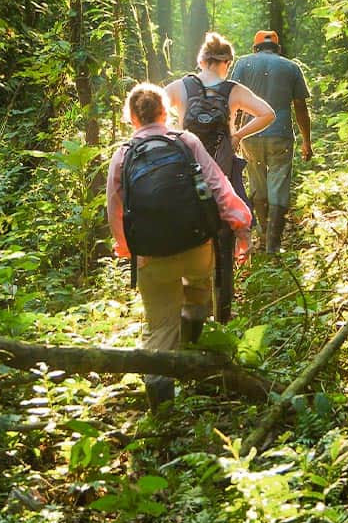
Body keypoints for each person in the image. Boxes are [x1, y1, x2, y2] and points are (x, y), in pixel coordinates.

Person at [107, 82, 251, 409]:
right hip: (197, 247)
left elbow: (114, 209)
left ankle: (161, 406)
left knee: (160, 328)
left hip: (152, 258)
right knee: (200, 289)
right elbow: (219, 186)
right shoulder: (186, 141)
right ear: (166, 112)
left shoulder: (123, 154)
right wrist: (242, 226)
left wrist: (128, 249)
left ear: (132, 117)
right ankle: (193, 350)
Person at [164, 32, 275, 318]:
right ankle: (223, 314)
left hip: (184, 183)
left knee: (185, 244)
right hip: (222, 180)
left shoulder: (180, 87)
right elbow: (267, 113)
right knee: (224, 245)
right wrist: (237, 134)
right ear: (228, 62)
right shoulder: (233, 90)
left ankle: (187, 312)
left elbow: (152, 116)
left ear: (201, 60)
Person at [231, 29, 313, 254]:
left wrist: (234, 134)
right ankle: (274, 244)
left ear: (255, 47)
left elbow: (233, 102)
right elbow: (300, 108)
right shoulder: (291, 67)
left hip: (251, 134)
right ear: (278, 48)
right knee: (279, 183)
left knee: (257, 181)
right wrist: (307, 141)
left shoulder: (243, 63)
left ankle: (263, 234)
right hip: (281, 134)